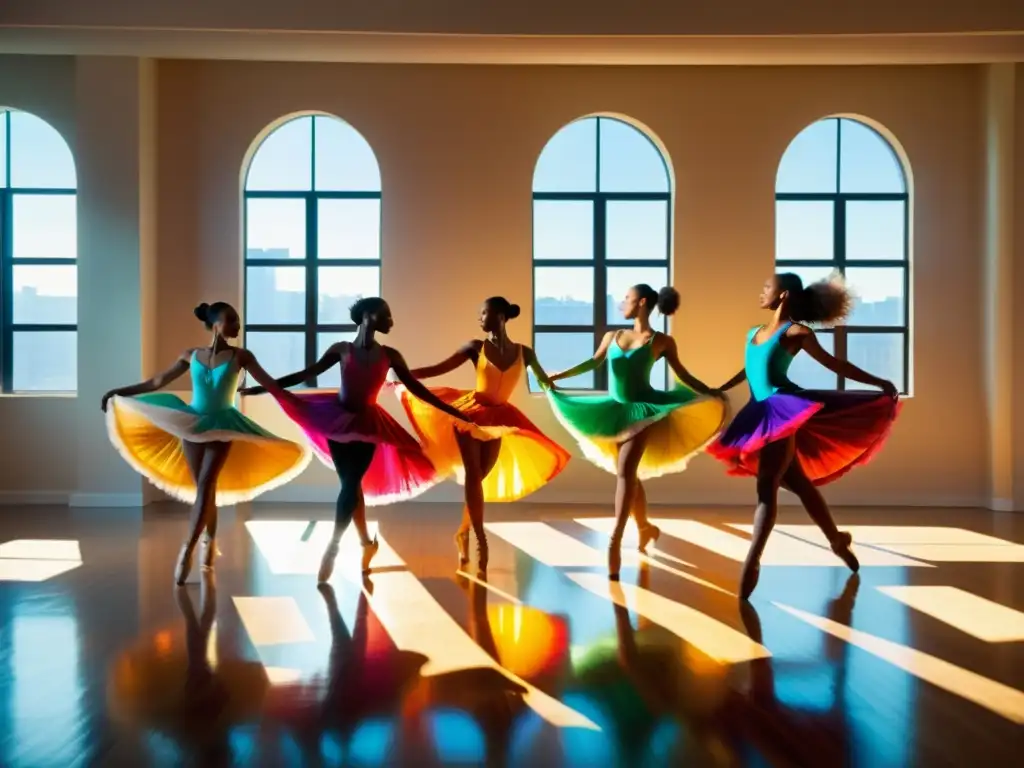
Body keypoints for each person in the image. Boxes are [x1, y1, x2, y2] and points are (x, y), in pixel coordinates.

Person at [240, 297, 480, 583]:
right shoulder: (342, 349)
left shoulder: (390, 355)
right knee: (350, 488)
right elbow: (307, 374)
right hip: (336, 420)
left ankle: (333, 547)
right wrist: (265, 388)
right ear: (368, 316)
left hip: (368, 425)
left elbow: (416, 388)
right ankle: (366, 542)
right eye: (387, 316)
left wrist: (454, 411)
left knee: (351, 484)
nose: (391, 322)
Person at [709, 272, 900, 599]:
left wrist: (878, 382)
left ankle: (753, 559)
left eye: (766, 287)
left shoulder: (796, 332)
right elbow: (749, 369)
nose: (761, 292)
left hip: (782, 412)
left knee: (767, 487)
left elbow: (834, 364)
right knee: (798, 484)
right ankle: (837, 540)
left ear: (782, 295)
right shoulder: (753, 333)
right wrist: (719, 389)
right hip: (759, 412)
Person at [102, 302, 311, 584]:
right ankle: (209, 541)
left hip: (225, 424)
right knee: (202, 487)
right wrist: (119, 392)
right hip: (192, 421)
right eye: (232, 320)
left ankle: (187, 549)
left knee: (207, 482)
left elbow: (273, 386)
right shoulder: (191, 355)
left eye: (238, 320)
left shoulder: (242, 356)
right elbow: (157, 381)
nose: (238, 325)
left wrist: (303, 405)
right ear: (215, 324)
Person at [544, 284, 728, 580]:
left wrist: (709, 391)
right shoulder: (613, 336)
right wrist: (559, 376)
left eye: (626, 300)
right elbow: (594, 362)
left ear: (641, 303)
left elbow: (682, 374)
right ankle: (645, 528)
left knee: (625, 473)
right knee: (629, 475)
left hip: (645, 411)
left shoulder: (662, 341)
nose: (621, 305)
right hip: (614, 410)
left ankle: (615, 540)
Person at [396, 297, 571, 572]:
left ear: (500, 315)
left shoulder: (525, 352)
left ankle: (463, 531)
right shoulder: (475, 347)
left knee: (481, 477)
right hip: (469, 416)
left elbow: (543, 381)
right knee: (474, 476)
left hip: (500, 418)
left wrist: (561, 381)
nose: (480, 318)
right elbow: (438, 369)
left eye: (484, 313)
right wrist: (403, 375)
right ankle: (481, 538)